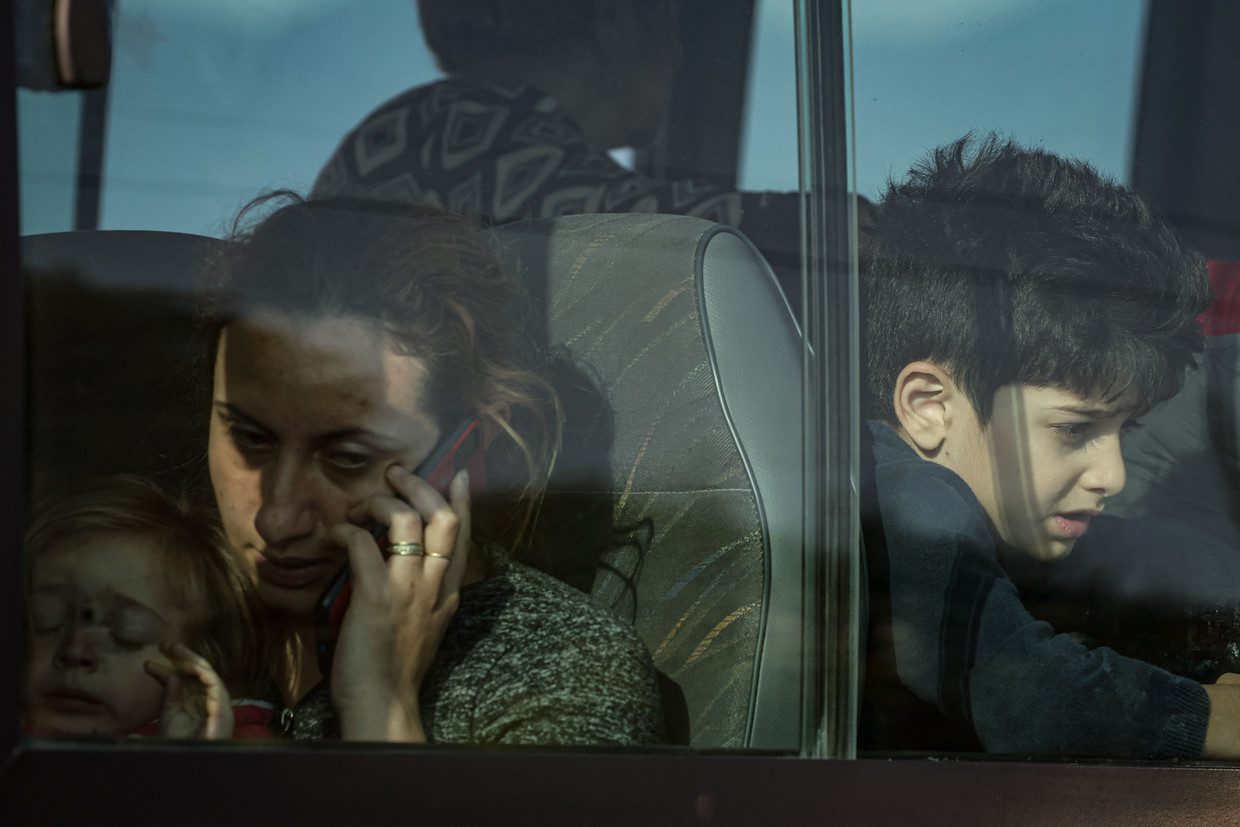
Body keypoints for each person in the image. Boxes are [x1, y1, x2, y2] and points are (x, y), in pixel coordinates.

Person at [199, 192, 665, 744]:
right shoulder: (144, 604)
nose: (277, 519)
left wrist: (383, 706)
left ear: (466, 450)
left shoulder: (561, 670)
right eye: (251, 439)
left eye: (349, 459)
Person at [859, 134, 1240, 758]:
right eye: (1073, 429)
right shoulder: (909, 500)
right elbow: (1020, 689)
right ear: (930, 408)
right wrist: (1210, 717)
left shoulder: (982, 519)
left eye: (1127, 430)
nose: (1112, 475)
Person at [311, 0, 803, 285]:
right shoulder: (469, 129)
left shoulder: (422, 122)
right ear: (613, 20)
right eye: (665, 20)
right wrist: (859, 225)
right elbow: (649, 230)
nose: (677, 52)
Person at [22, 475, 272, 740]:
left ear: (201, 664)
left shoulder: (240, 756)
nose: (74, 650)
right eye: (45, 621)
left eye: (125, 633)